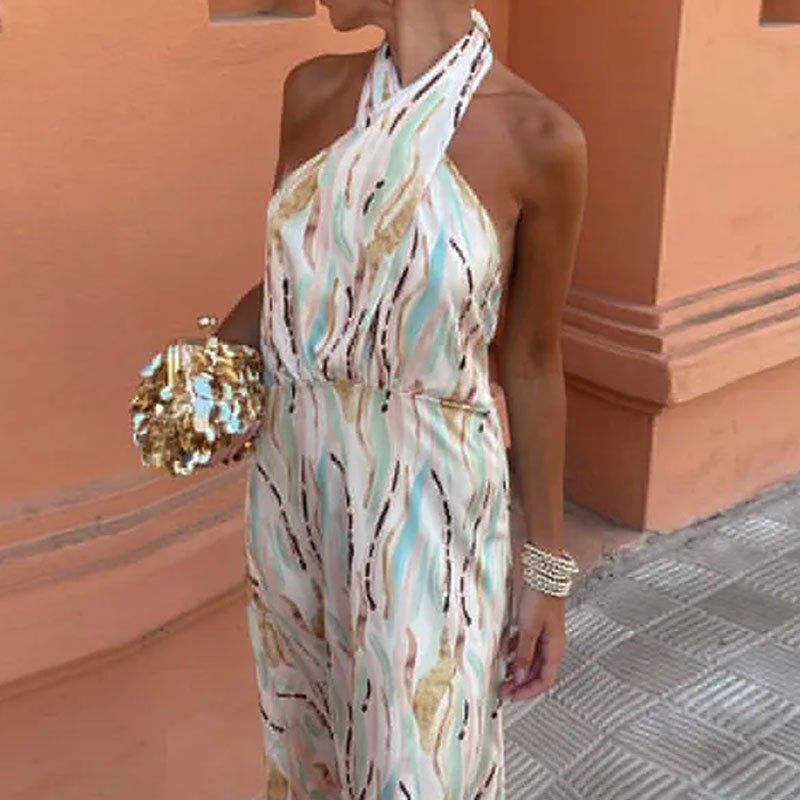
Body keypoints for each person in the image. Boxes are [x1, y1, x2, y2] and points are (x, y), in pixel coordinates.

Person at [217, 1, 587, 796]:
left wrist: (547, 572)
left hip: (430, 506)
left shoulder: (540, 139)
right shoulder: (312, 91)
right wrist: (211, 371)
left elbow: (531, 359)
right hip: (298, 491)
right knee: (312, 751)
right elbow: (301, 281)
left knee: (418, 768)